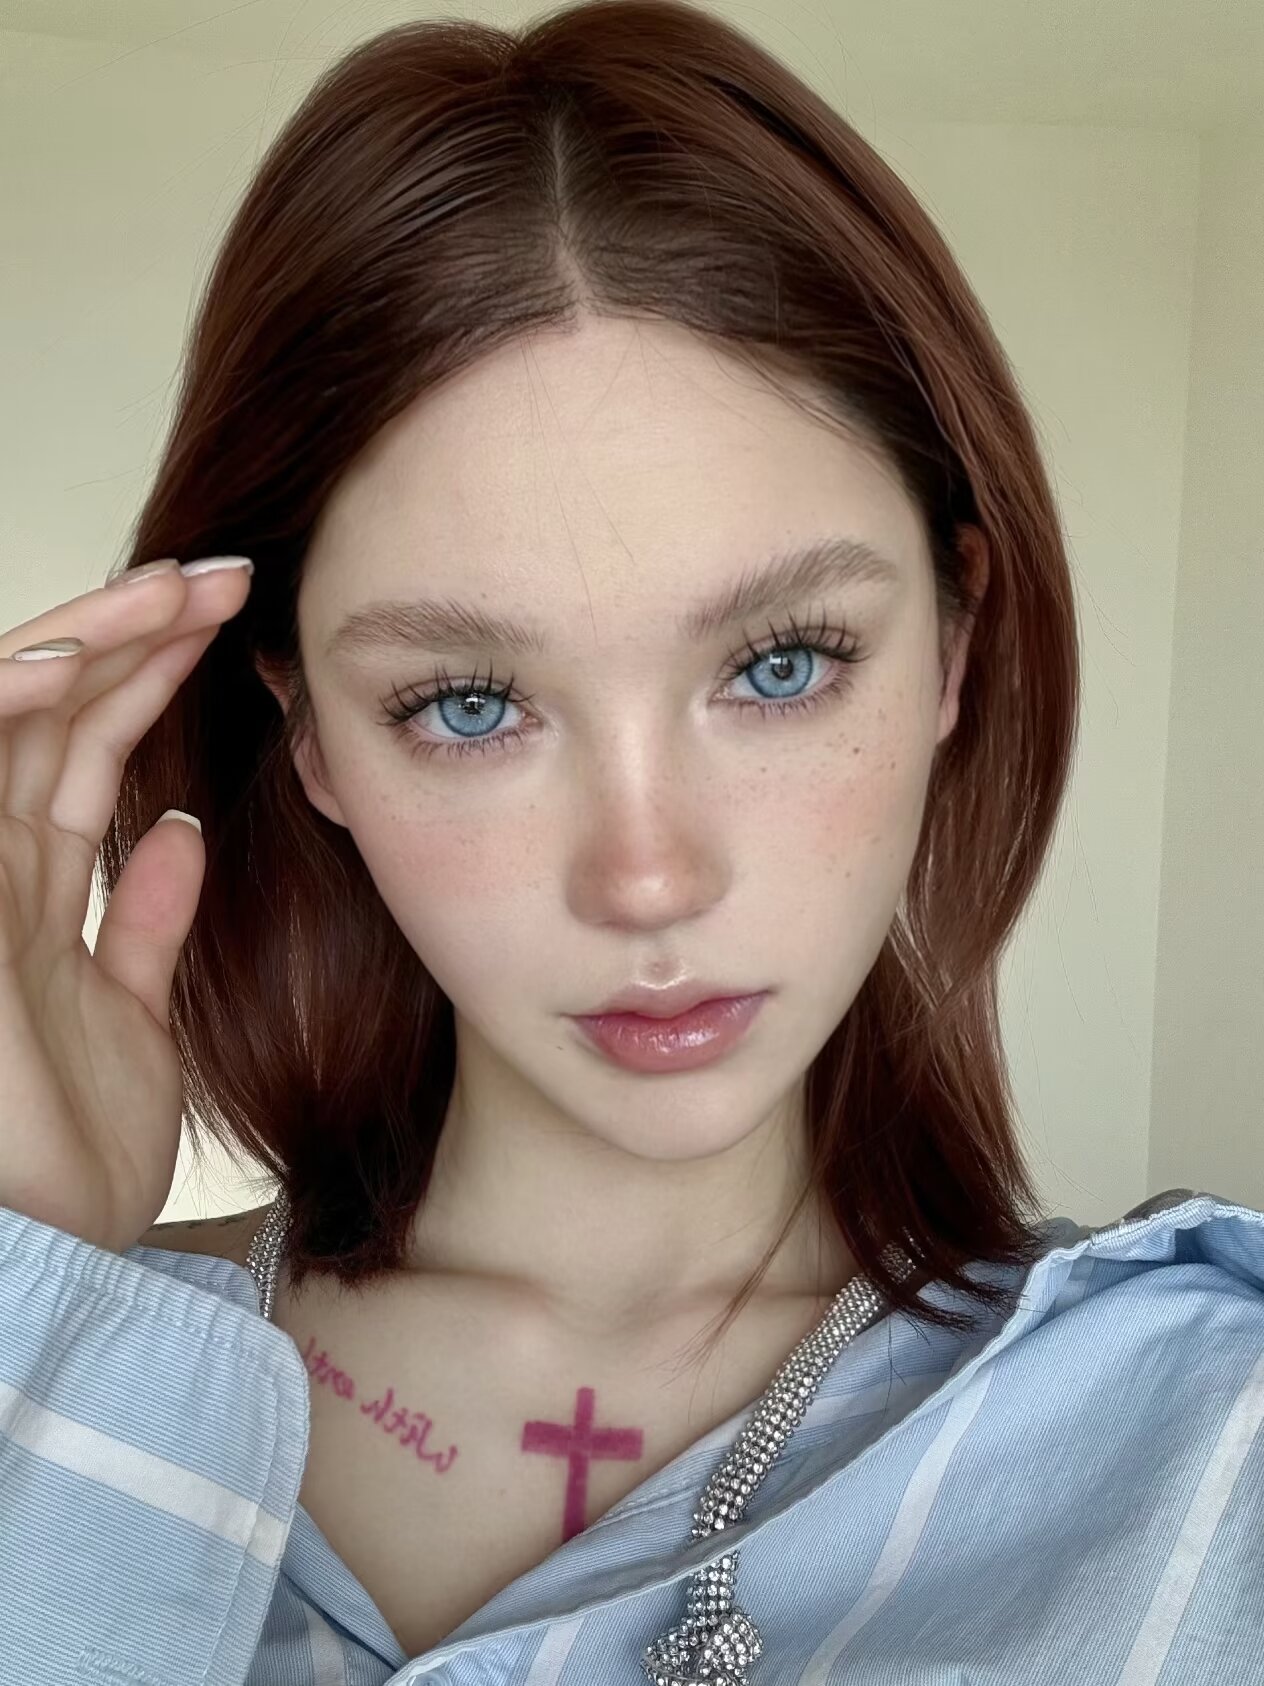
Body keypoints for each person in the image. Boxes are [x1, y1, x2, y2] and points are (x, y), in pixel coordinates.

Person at [1, 1, 1260, 1682]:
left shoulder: (1205, 1441)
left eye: (782, 664)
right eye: (468, 702)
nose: (649, 875)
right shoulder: (42, 1360)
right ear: (306, 732)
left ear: (956, 645)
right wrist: (35, 1282)